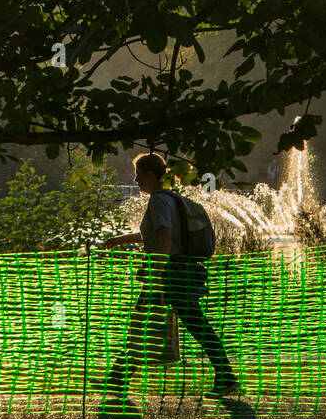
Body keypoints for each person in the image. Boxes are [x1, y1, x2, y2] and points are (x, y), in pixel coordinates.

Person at [99, 152, 239, 400]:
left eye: (138, 174)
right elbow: (157, 234)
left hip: (168, 273)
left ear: (151, 175)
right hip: (178, 270)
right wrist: (121, 240)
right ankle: (117, 380)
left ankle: (117, 380)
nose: (135, 180)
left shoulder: (158, 201)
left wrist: (156, 274)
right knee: (168, 323)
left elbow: (164, 237)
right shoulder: (171, 199)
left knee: (154, 324)